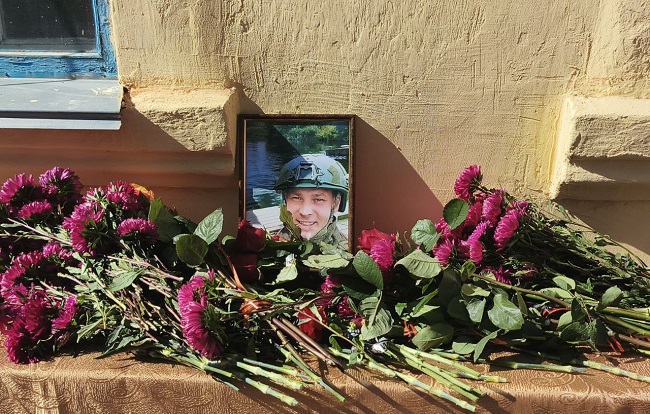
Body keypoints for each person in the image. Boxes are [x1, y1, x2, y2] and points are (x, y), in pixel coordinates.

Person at [274, 154, 349, 249]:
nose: (305, 212)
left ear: (336, 203)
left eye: (319, 199)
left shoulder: (351, 254)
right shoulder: (265, 249)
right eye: (296, 198)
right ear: (286, 200)